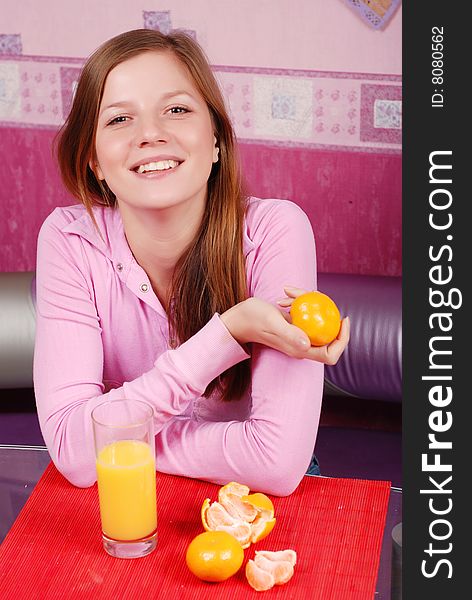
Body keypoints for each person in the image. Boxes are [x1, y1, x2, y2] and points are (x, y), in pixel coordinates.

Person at [33, 29, 350, 496]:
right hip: (132, 499)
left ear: (217, 139)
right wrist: (227, 333)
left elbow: (276, 464)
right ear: (93, 161)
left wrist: (114, 441)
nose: (150, 134)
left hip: (248, 502)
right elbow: (69, 452)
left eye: (177, 110)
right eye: (120, 119)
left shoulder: (275, 231)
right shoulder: (69, 239)